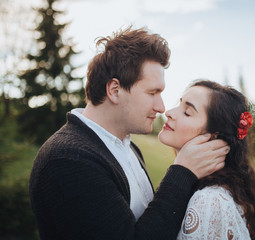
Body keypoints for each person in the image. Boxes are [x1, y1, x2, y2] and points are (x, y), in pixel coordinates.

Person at [29, 27, 229, 240]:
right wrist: (182, 172)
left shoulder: (128, 147)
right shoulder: (68, 160)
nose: (161, 107)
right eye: (153, 93)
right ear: (115, 90)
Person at [158, 80, 255, 240]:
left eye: (187, 112)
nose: (169, 112)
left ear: (213, 135)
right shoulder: (198, 187)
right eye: (179, 103)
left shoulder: (209, 201)